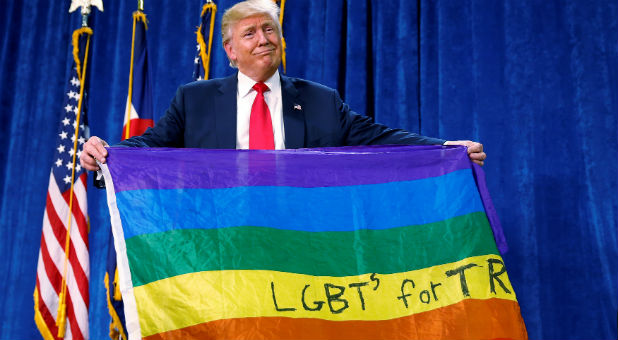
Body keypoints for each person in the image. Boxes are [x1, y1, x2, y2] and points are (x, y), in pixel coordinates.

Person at [80, 0, 486, 172]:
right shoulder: (195, 100)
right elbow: (153, 144)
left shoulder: (319, 100)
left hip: (296, 244)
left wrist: (446, 150)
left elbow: (380, 137)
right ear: (230, 50)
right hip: (222, 242)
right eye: (251, 33)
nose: (264, 39)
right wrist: (106, 153)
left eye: (270, 29)